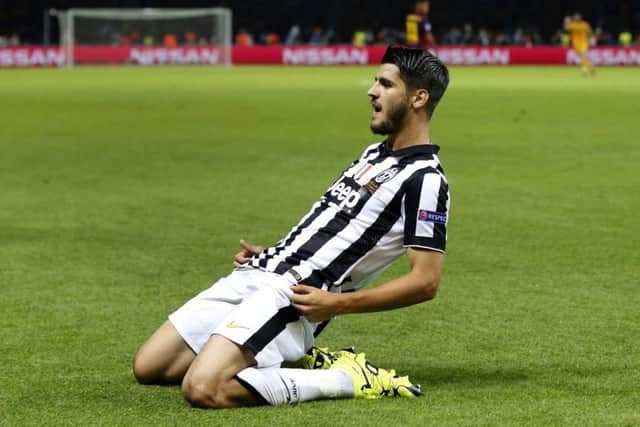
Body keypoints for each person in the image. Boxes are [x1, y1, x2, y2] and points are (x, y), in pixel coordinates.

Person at [133, 45, 451, 409]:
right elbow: (334, 223)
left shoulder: (425, 180)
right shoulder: (373, 154)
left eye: (385, 84)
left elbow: (425, 282)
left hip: (295, 295)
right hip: (261, 271)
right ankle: (277, 357)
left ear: (418, 98)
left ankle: (346, 378)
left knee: (204, 388)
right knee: (151, 366)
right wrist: (275, 252)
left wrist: (337, 304)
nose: (371, 91)